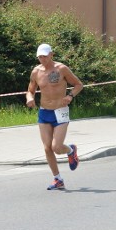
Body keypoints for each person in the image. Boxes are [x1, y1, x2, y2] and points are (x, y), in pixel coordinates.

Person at [25, 43, 83, 190]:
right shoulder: (36, 71)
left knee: (56, 147)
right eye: (40, 56)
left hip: (60, 111)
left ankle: (70, 150)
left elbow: (78, 85)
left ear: (52, 54)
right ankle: (57, 179)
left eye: (45, 56)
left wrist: (70, 96)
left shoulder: (61, 69)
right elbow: (30, 90)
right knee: (47, 148)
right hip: (45, 112)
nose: (42, 59)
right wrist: (29, 98)